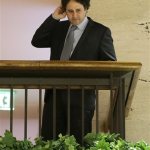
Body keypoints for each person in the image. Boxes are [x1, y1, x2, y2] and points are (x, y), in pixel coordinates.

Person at [31, 0, 117, 144]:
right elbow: (37, 41)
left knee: (78, 145)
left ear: (86, 9)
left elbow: (110, 63)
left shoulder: (100, 32)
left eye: (78, 10)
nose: (74, 15)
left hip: (81, 99)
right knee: (48, 143)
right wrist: (54, 17)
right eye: (70, 11)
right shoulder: (58, 28)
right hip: (54, 97)